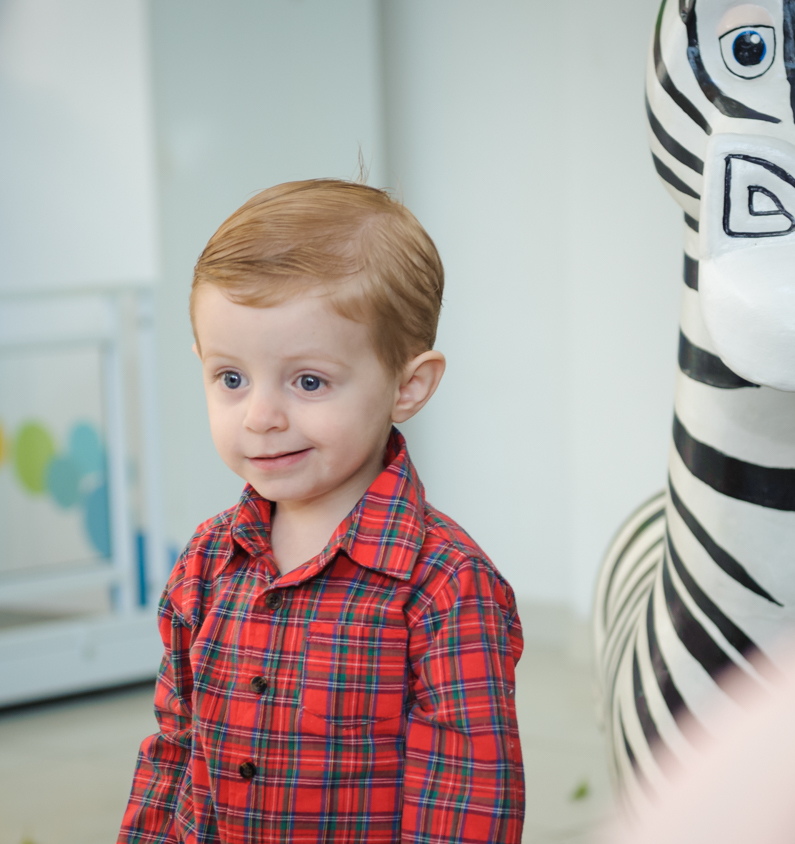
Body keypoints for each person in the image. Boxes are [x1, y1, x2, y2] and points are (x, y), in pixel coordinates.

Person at [118, 179, 524, 843]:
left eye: (309, 382)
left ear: (407, 385)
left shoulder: (445, 586)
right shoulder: (205, 563)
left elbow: (466, 797)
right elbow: (173, 750)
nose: (261, 417)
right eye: (230, 378)